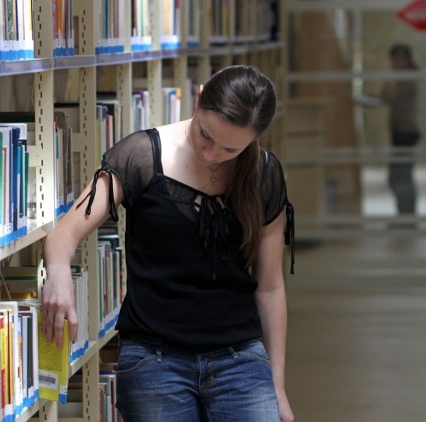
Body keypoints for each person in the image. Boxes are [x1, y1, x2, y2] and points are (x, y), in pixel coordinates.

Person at [41, 65, 295, 422]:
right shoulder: (140, 155)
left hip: (240, 359)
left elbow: (269, 287)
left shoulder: (264, 174)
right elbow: (64, 234)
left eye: (230, 149)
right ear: (199, 96)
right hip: (154, 360)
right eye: (205, 135)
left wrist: (277, 387)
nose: (211, 154)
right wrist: (58, 273)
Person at [380, 43, 421, 217]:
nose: (395, 64)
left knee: (400, 175)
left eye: (397, 60)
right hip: (401, 131)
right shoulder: (404, 78)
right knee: (400, 175)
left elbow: (393, 101)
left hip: (407, 131)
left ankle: (407, 216)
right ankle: (405, 214)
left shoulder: (409, 80)